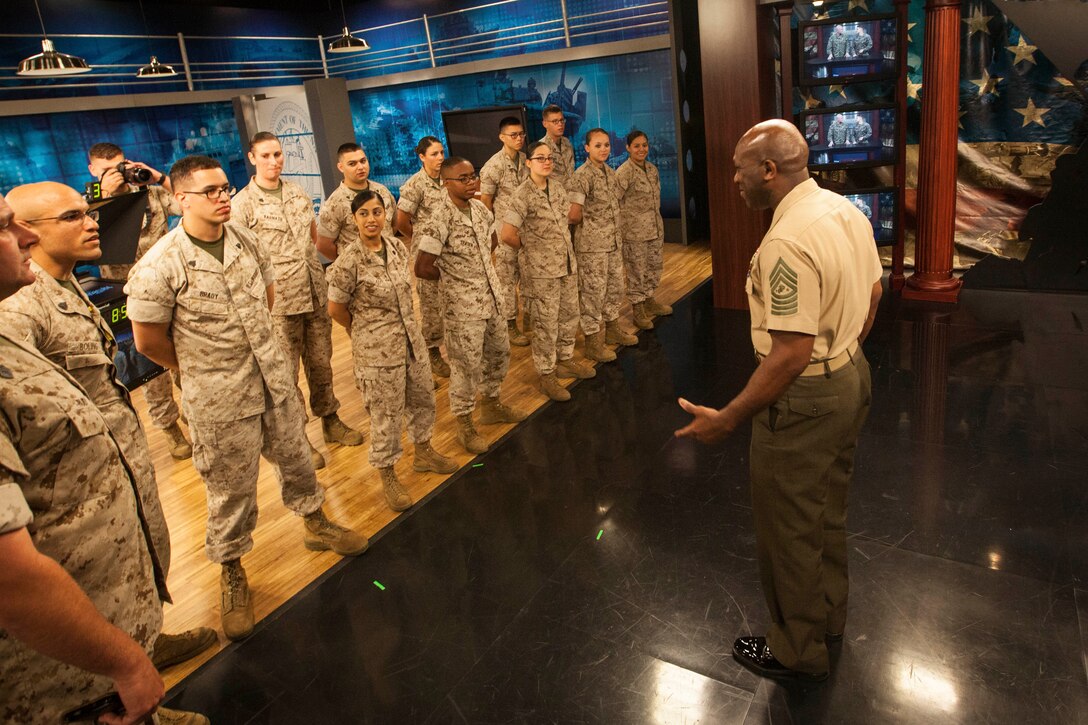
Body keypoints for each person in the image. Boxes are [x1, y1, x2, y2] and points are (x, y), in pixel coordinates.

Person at [125, 155, 368, 642]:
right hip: (217, 398)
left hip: (273, 381)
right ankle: (232, 570)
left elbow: (270, 298)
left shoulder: (247, 241)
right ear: (180, 200)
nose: (222, 197)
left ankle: (316, 522)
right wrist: (201, 369)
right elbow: (148, 342)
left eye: (225, 188)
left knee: (298, 459)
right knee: (229, 490)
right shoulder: (159, 264)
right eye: (210, 191)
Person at [675, 120, 882, 682]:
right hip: (851, 377)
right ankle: (828, 620)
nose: (735, 181)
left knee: (788, 530)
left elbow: (790, 353)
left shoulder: (787, 241)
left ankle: (797, 650)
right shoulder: (844, 210)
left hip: (805, 400)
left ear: (769, 170)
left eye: (740, 169)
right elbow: (873, 292)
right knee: (827, 513)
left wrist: (730, 417)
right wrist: (842, 356)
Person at [0, 192, 207, 725]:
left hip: (113, 481)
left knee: (138, 576)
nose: (92, 223)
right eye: (72, 217)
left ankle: (141, 663)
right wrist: (122, 662)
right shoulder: (22, 308)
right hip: (64, 536)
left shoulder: (61, 285)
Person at [232, 132, 364, 471]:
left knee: (321, 364)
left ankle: (331, 420)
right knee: (285, 376)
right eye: (266, 155)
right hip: (279, 305)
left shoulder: (296, 192)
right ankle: (298, 437)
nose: (274, 161)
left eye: (278, 154)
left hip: (314, 293)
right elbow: (240, 258)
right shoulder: (243, 204)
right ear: (252, 158)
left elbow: (311, 236)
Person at [327, 190, 458, 511]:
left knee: (422, 399)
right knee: (386, 415)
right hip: (377, 353)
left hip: (411, 345)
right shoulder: (349, 260)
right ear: (354, 219)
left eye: (376, 212)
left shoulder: (398, 248)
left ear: (386, 214)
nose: (371, 219)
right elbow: (336, 309)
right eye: (363, 214)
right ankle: (388, 474)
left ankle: (424, 453)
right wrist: (364, 331)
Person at [415, 157, 528, 454]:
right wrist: (456, 279)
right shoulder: (439, 217)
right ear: (446, 183)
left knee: (500, 352)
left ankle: (491, 404)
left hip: (491, 299)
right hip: (462, 308)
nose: (471, 183)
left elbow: (490, 242)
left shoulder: (479, 209)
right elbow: (423, 266)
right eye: (462, 179)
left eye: (473, 176)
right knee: (466, 366)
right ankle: (465, 424)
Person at [88, 142, 192, 460]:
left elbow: (186, 201)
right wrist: (104, 191)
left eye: (120, 165)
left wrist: (158, 177)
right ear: (92, 170)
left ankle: (193, 409)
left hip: (169, 288)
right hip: (128, 296)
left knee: (184, 357)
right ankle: (170, 426)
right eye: (107, 169)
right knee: (150, 368)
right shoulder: (88, 203)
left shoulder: (148, 191)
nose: (118, 173)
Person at [500, 141, 593, 402]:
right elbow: (507, 234)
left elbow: (565, 224)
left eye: (549, 158)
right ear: (528, 163)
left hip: (565, 265)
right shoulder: (522, 194)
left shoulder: (558, 188)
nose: (546, 162)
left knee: (568, 316)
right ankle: (546, 373)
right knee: (545, 324)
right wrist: (533, 250)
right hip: (541, 274)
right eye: (540, 158)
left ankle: (565, 359)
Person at [568, 128, 638, 362]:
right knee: (592, 294)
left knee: (614, 288)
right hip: (592, 248)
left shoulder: (610, 173)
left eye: (606, 145)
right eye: (598, 145)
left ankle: (612, 330)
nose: (604, 149)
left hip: (612, 244)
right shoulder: (581, 176)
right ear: (587, 148)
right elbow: (574, 214)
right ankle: (593, 343)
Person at [396, 136, 452, 380]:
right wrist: (421, 238)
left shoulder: (449, 179)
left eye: (441, 153)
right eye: (434, 154)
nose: (440, 158)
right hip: (427, 256)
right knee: (431, 307)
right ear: (421, 156)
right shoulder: (415, 185)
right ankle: (433, 352)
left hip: (450, 251)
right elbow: (401, 221)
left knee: (451, 301)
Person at [480, 116, 531, 347]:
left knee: (528, 278)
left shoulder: (526, 161)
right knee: (507, 282)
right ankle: (510, 325)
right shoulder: (493, 166)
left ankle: (530, 320)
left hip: (526, 232)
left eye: (521, 134)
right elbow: (486, 204)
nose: (519, 138)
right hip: (505, 235)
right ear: (502, 137)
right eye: (514, 135)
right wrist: (493, 236)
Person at [615, 130, 672, 331]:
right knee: (636, 271)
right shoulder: (624, 172)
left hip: (654, 228)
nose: (641, 149)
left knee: (653, 266)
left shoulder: (652, 169)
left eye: (644, 145)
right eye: (637, 146)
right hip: (634, 232)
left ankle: (649, 300)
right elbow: (614, 200)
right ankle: (638, 309)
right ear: (628, 148)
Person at [316, 142, 397, 261]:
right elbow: (323, 244)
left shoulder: (382, 192)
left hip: (390, 264)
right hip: (361, 274)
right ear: (341, 167)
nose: (360, 167)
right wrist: (350, 264)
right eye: (352, 164)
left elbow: (393, 225)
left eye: (363, 161)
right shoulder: (335, 202)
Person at [538, 104, 576, 191]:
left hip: (572, 194)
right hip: (555, 198)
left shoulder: (567, 143)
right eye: (555, 121)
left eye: (562, 120)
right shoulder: (540, 147)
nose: (560, 124)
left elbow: (571, 171)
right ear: (545, 124)